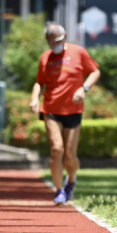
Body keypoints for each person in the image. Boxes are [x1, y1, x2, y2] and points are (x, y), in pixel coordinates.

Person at [29, 23, 100, 205]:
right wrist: (35, 99)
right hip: (51, 109)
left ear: (65, 37)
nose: (54, 45)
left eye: (57, 41)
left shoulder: (79, 52)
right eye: (51, 42)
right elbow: (39, 82)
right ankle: (59, 190)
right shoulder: (46, 58)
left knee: (70, 154)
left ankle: (72, 180)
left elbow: (94, 72)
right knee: (56, 149)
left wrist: (84, 89)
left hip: (73, 110)